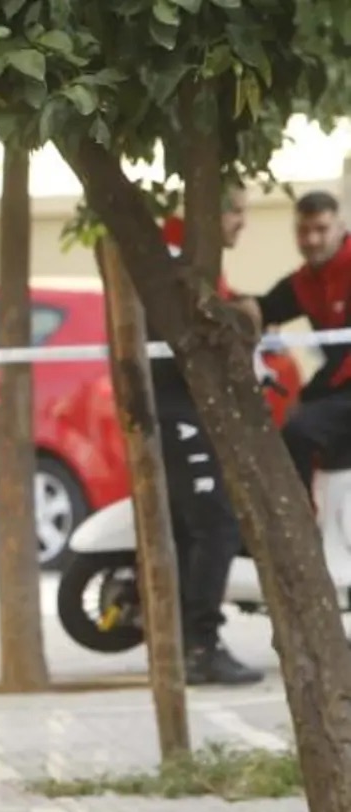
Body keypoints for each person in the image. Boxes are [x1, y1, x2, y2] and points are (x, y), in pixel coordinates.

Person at [147, 192, 264, 686]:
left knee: (195, 528)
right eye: (234, 208)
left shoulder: (193, 265)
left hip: (189, 408)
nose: (243, 220)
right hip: (177, 409)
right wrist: (242, 319)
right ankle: (200, 645)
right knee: (214, 525)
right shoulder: (175, 264)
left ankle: (185, 643)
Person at [243, 191, 351, 496]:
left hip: (344, 386)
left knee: (299, 431)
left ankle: (301, 530)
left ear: (341, 228)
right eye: (304, 231)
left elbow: (346, 358)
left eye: (321, 229)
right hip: (341, 391)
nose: (312, 239)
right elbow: (262, 309)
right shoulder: (305, 281)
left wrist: (306, 396)